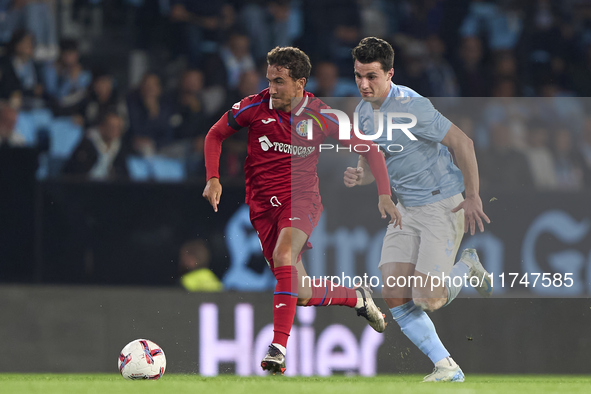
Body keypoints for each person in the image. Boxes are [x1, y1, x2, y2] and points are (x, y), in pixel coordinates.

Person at [202, 46, 400, 375]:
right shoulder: (253, 107)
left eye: (279, 82)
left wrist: (384, 194)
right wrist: (213, 178)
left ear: (300, 84)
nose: (272, 89)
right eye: (269, 80)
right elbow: (215, 134)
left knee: (283, 256)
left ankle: (278, 348)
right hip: (262, 207)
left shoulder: (322, 115)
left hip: (301, 200)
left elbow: (373, 151)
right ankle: (358, 298)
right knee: (303, 293)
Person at [343, 37, 492, 382]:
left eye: (372, 76)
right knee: (394, 293)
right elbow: (373, 166)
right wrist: (359, 175)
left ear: (390, 73)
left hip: (442, 202)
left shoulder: (412, 105)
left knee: (428, 299)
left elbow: (462, 143)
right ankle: (446, 367)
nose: (364, 84)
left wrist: (473, 196)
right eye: (358, 76)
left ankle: (467, 267)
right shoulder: (362, 113)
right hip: (405, 208)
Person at [62, 111, 130, 180]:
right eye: (111, 126)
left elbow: (123, 174)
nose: (114, 130)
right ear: (102, 126)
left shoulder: (118, 146)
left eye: (117, 127)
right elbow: (75, 172)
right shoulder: (87, 143)